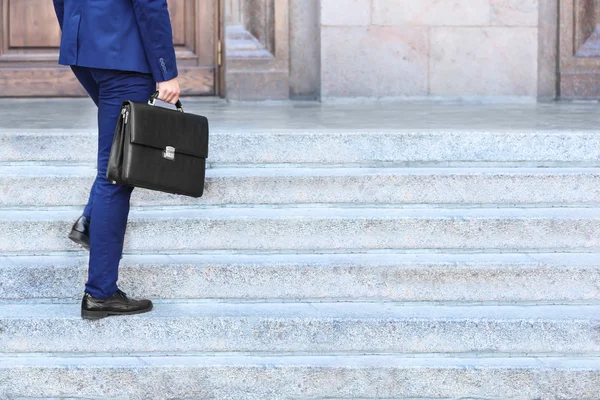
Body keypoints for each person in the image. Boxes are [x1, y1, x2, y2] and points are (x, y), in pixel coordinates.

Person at [52, 0, 181, 320]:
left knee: (117, 157)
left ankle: (90, 222)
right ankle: (100, 293)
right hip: (124, 56)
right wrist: (166, 72)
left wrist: (78, 37)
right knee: (117, 171)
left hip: (88, 51)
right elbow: (150, 5)